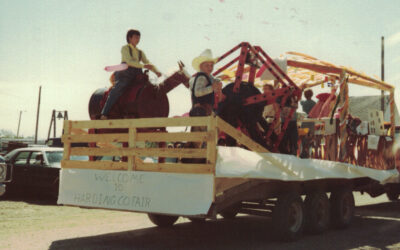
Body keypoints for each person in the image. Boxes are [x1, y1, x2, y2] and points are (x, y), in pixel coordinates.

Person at [100, 29, 162, 119]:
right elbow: (128, 62)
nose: (138, 39)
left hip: (137, 73)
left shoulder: (140, 52)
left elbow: (148, 62)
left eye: (139, 37)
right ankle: (104, 113)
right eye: (136, 37)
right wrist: (143, 66)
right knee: (118, 89)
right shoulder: (125, 48)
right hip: (125, 73)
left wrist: (157, 72)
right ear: (130, 38)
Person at [189, 49, 222, 118]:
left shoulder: (209, 77)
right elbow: (197, 92)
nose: (210, 68)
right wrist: (212, 87)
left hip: (205, 110)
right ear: (201, 66)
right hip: (201, 111)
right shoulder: (202, 77)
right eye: (207, 65)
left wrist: (217, 84)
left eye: (211, 65)